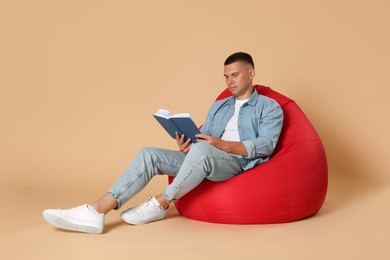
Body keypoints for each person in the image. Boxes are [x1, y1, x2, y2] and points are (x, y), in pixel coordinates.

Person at [42, 52, 284, 234]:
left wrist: (220, 145)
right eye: (226, 76)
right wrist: (188, 145)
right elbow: (204, 140)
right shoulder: (219, 106)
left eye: (235, 75)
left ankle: (161, 202)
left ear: (251, 73)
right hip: (206, 157)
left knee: (202, 150)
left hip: (237, 164)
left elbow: (266, 145)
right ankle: (96, 210)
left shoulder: (269, 107)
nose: (229, 81)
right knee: (149, 154)